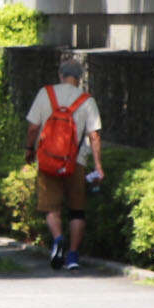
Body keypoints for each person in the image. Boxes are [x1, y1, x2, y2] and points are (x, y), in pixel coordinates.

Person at [24, 57, 105, 272]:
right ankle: (72, 256)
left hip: (48, 160)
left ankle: (58, 239)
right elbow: (94, 136)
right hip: (76, 162)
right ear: (79, 78)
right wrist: (98, 166)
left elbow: (33, 128)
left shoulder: (46, 93)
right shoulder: (87, 100)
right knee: (77, 210)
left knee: (52, 208)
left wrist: (29, 150)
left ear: (60, 75)